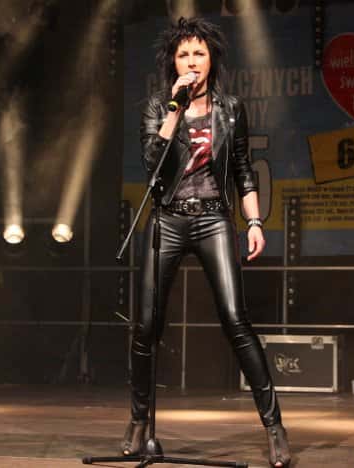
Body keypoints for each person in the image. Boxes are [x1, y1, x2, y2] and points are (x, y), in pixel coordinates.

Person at [121, 17, 291, 468]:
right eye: (184, 54)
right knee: (146, 326)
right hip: (167, 219)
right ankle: (138, 421)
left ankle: (274, 426)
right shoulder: (158, 107)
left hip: (214, 217)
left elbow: (243, 168)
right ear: (172, 63)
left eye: (199, 53)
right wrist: (174, 110)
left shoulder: (230, 109)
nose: (192, 61)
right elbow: (152, 163)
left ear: (212, 59)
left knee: (236, 319)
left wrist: (254, 222)